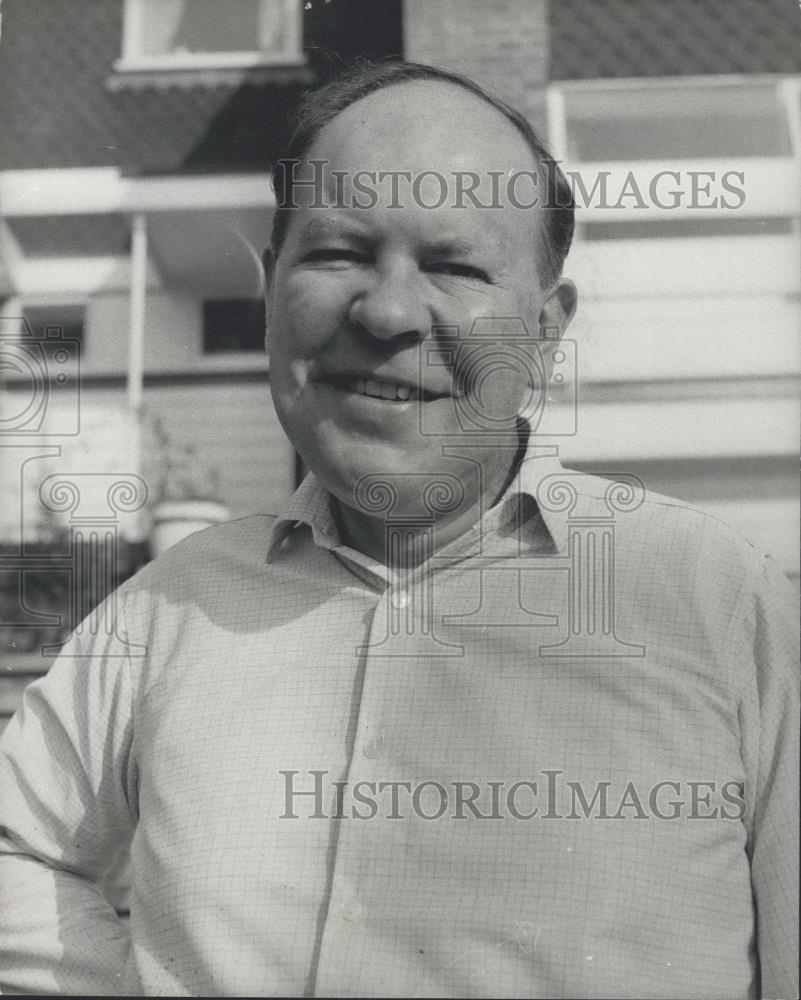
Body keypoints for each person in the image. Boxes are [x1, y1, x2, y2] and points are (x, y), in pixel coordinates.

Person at [0, 60, 797, 999]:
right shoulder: (162, 611)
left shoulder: (722, 607)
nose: (384, 312)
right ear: (271, 291)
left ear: (545, 334)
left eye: (454, 266)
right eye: (337, 253)